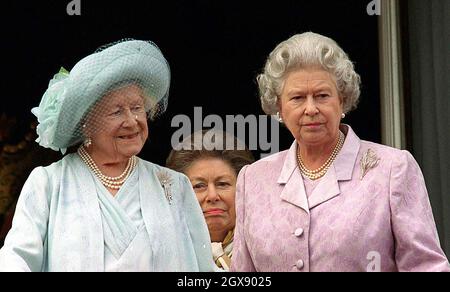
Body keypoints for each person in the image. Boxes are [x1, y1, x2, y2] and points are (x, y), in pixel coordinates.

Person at [231, 32, 450, 272]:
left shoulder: (391, 169)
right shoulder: (252, 179)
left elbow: (426, 267)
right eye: (297, 98)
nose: (311, 109)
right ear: (279, 107)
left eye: (322, 96)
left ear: (342, 100)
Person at [0, 39, 215, 272]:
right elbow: (16, 257)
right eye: (116, 111)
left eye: (137, 108)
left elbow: (203, 268)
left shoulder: (174, 185)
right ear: (86, 123)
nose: (132, 121)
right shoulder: (49, 184)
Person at [166, 129, 254, 270]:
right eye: (199, 186)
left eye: (222, 184)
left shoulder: (263, 248)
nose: (212, 196)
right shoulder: (162, 252)